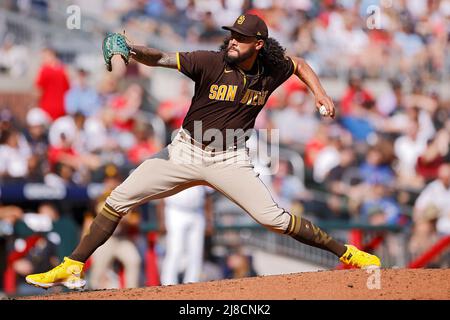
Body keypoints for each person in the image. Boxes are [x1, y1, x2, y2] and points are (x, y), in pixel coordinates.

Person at [26, 14, 380, 290]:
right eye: (232, 35)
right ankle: (71, 266)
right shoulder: (210, 62)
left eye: (241, 38)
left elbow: (300, 63)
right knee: (117, 200)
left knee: (273, 219)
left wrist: (319, 93)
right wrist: (133, 50)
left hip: (229, 159)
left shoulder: (271, 69)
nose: (233, 41)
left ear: (258, 44)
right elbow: (161, 58)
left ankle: (348, 253)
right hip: (185, 151)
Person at [160, 186, 214, 285]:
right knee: (175, 250)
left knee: (196, 251)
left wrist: (209, 220)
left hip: (197, 212)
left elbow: (208, 194)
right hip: (175, 211)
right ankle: (167, 283)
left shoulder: (202, 170)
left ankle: (192, 283)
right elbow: (162, 194)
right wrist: (162, 220)